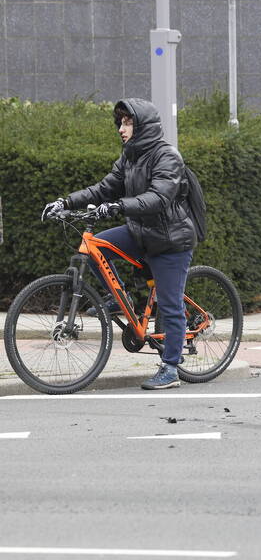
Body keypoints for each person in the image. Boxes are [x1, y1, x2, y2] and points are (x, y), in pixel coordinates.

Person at [41, 98, 197, 391]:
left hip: (169, 239)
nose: (121, 129)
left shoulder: (167, 156)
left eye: (128, 123)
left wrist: (118, 206)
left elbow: (159, 198)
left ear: (144, 126)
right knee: (95, 244)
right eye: (121, 123)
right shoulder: (129, 157)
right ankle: (118, 297)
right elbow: (103, 188)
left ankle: (171, 367)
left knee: (169, 303)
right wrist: (65, 201)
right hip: (140, 232)